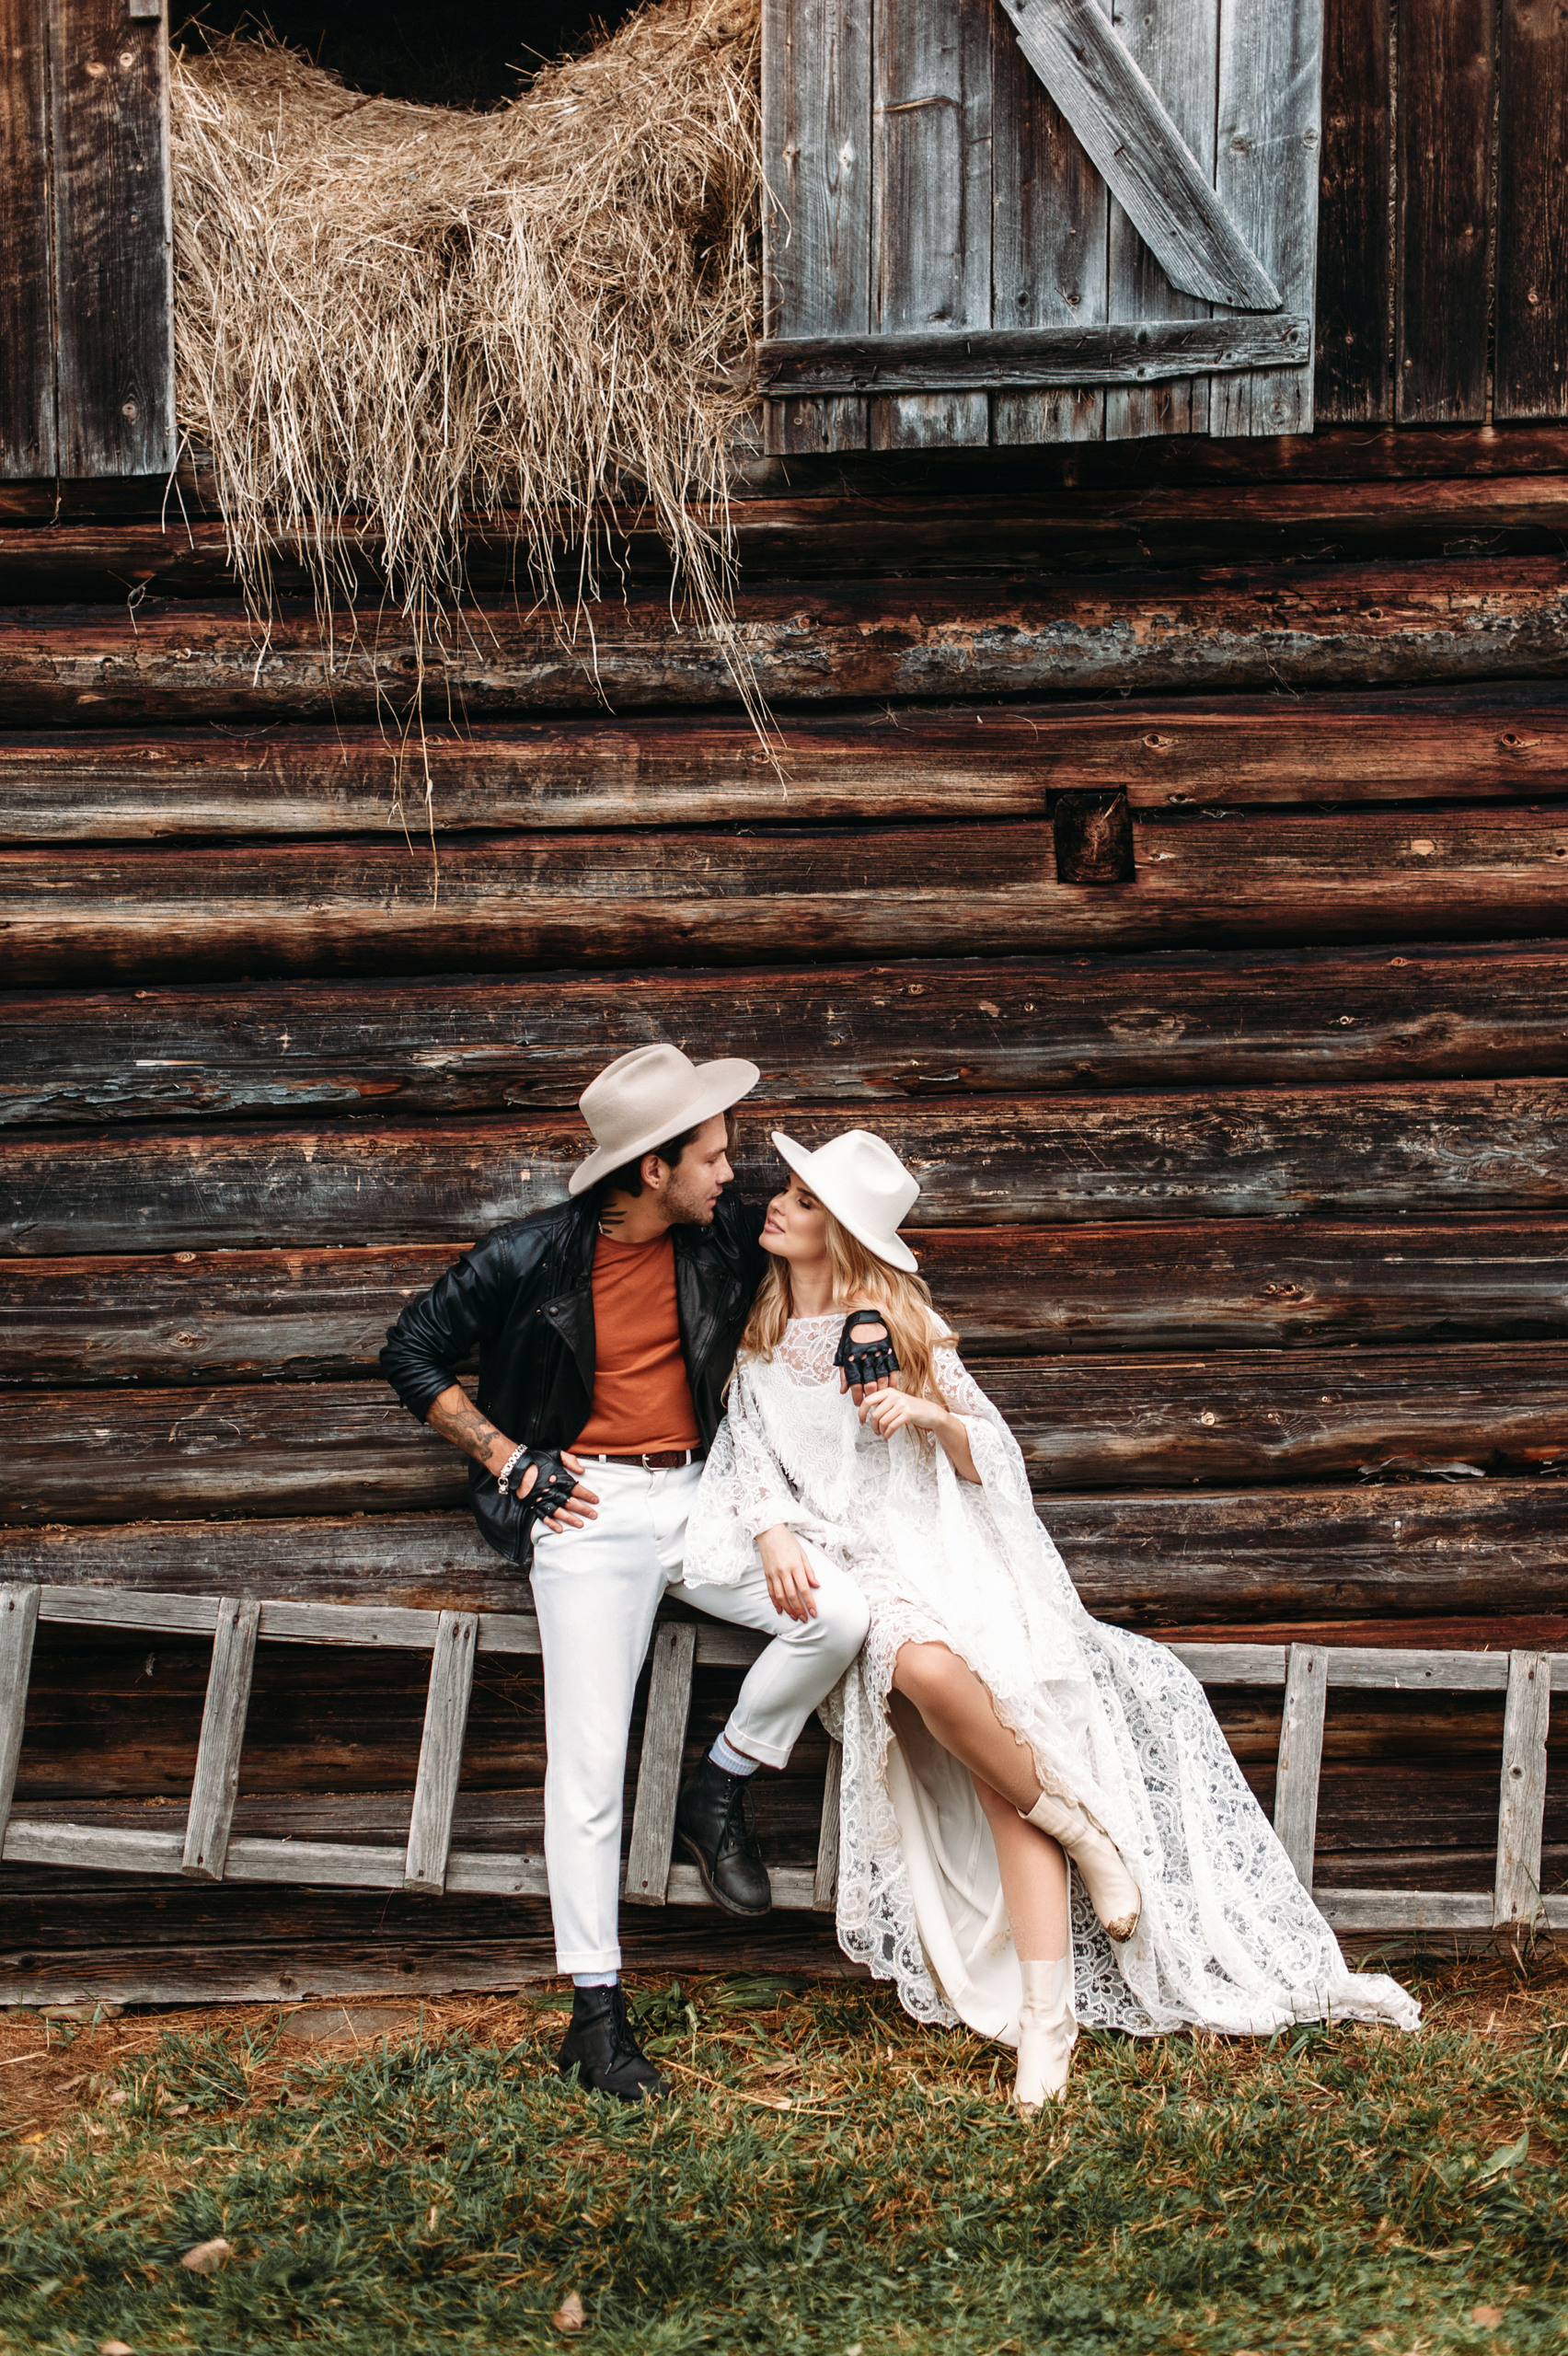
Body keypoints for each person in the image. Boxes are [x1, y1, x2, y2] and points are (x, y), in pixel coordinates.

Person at [681, 1127, 1420, 2111]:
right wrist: (772, 1529)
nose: (778, 1203)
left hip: (943, 1550)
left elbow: (993, 1452)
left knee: (1002, 1755)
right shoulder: (763, 1339)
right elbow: (744, 1460)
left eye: (807, 1201)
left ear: (845, 1232)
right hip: (855, 1565)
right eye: (789, 1190)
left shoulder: (898, 1322)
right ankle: (1081, 1829)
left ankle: (1048, 2020)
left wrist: (928, 1416)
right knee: (931, 1672)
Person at [379, 1045, 870, 2103]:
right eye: (710, 1156)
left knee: (840, 1616)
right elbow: (411, 1349)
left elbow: (842, 1253)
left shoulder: (723, 1233)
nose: (728, 1175)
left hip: (703, 1496)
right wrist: (511, 1461)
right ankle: (596, 2012)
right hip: (588, 1511)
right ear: (652, 1169)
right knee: (588, 1769)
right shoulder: (528, 1256)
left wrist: (868, 1320)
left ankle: (722, 1779)